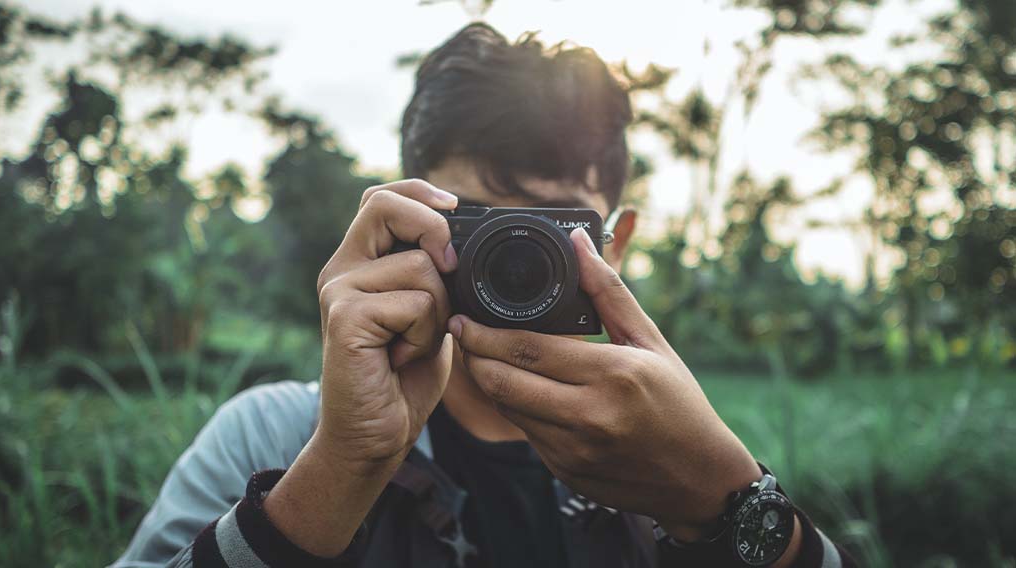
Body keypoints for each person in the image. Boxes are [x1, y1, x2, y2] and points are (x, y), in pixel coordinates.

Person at [112, 23, 855, 568]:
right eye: (472, 225)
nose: (510, 263)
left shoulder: (669, 447)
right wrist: (340, 467)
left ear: (613, 246)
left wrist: (720, 500)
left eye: (543, 231)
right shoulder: (274, 438)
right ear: (403, 220)